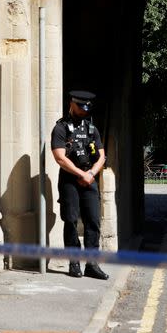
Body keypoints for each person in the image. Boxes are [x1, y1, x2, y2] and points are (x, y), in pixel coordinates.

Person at [51, 90, 109, 279]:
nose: (84, 111)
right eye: (81, 108)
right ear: (72, 104)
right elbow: (60, 157)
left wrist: (91, 173)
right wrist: (81, 174)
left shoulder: (92, 129)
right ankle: (74, 263)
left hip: (89, 178)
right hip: (70, 179)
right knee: (71, 220)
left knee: (93, 221)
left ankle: (92, 265)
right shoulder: (60, 128)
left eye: (87, 108)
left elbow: (101, 156)